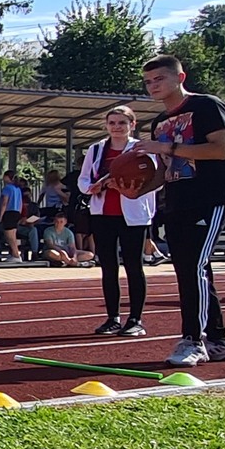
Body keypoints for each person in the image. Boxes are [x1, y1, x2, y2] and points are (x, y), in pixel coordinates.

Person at [130, 54, 225, 366]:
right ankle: (218, 341)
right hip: (176, 201)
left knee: (194, 268)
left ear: (180, 77)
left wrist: (165, 147)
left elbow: (220, 150)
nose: (152, 86)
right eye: (148, 82)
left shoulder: (206, 106)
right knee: (192, 270)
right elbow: (166, 170)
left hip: (209, 198)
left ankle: (194, 339)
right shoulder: (158, 123)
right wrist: (134, 188)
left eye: (159, 79)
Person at [75, 106, 157, 336]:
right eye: (112, 123)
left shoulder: (141, 149)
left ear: (132, 124)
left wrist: (125, 185)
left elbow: (153, 179)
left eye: (122, 122)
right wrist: (93, 187)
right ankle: (112, 318)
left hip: (133, 216)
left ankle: (135, 319)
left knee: (133, 265)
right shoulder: (96, 149)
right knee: (108, 267)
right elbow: (82, 180)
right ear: (106, 125)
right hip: (103, 214)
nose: (116, 127)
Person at [0, 168, 28, 262]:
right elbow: (20, 203)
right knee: (13, 234)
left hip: (9, 212)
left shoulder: (7, 188)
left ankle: (15, 254)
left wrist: (1, 216)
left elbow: (4, 203)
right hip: (16, 212)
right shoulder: (17, 189)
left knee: (9, 235)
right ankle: (15, 254)